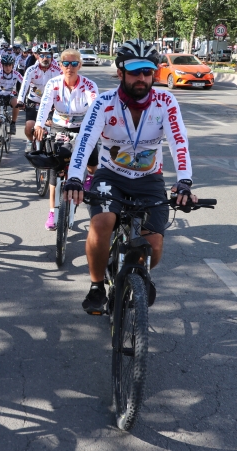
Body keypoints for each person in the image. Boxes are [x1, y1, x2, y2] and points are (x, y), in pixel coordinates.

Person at [63, 38, 198, 313]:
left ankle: (134, 275)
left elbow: (178, 142)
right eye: (135, 72)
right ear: (120, 73)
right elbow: (85, 142)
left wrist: (184, 182)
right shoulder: (104, 102)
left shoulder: (165, 101)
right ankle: (97, 285)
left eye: (147, 72)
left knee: (155, 247)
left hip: (149, 179)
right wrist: (75, 178)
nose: (142, 79)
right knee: (102, 224)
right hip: (110, 176)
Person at [33, 48, 99, 230]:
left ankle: (89, 177)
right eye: (66, 64)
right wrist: (39, 125)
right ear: (60, 65)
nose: (70, 67)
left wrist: (97, 129)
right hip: (59, 126)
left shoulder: (89, 85)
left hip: (82, 126)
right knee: (56, 169)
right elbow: (45, 104)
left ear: (80, 65)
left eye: (74, 63)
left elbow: (95, 107)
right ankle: (52, 213)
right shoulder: (53, 83)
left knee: (93, 161)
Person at [17, 42, 63, 151]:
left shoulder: (58, 71)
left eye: (48, 55)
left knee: (53, 128)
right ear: (37, 56)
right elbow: (24, 86)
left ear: (52, 56)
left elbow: (63, 88)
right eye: (42, 55)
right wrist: (20, 100)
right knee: (29, 127)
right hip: (33, 100)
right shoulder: (31, 70)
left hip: (51, 103)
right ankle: (29, 141)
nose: (45, 58)